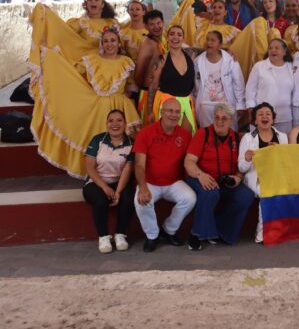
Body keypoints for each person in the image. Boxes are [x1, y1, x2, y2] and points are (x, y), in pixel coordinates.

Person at [29, 26, 141, 178]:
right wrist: (51, 58)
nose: (109, 44)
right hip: (96, 109)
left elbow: (130, 86)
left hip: (119, 108)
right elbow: (72, 74)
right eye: (106, 41)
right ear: (101, 44)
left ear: (119, 43)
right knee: (97, 141)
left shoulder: (127, 62)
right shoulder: (92, 60)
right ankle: (96, 175)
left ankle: (118, 176)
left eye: (113, 40)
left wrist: (124, 99)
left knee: (119, 143)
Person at [183, 103, 254, 250]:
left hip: (225, 181)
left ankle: (220, 230)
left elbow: (242, 165)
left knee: (245, 196)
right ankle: (196, 234)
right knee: (210, 193)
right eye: (217, 117)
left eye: (224, 118)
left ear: (231, 121)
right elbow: (189, 162)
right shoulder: (203, 134)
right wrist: (200, 175)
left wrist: (238, 177)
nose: (219, 121)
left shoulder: (237, 138)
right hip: (200, 177)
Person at [133, 99, 196, 252]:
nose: (174, 115)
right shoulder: (146, 133)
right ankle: (152, 236)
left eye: (177, 112)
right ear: (161, 112)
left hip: (174, 182)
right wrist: (143, 187)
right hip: (150, 182)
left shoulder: (184, 135)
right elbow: (139, 165)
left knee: (190, 198)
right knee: (141, 201)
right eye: (170, 111)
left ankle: (169, 230)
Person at [82, 109, 135, 253]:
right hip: (96, 181)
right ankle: (103, 237)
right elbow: (90, 168)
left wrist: (118, 192)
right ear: (106, 123)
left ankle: (120, 234)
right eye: (111, 121)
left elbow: (127, 169)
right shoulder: (97, 140)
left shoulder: (131, 143)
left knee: (127, 198)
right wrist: (105, 188)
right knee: (100, 200)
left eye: (119, 120)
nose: (115, 124)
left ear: (125, 123)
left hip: (119, 180)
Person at [238, 102, 289, 243]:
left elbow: (286, 164)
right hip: (255, 177)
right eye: (260, 114)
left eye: (268, 114)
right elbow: (241, 168)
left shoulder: (282, 137)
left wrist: (279, 152)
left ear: (273, 119)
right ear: (255, 121)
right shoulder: (248, 138)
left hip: (276, 176)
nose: (264, 117)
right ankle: (262, 232)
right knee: (265, 191)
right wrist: (247, 159)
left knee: (280, 189)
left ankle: (277, 230)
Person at [146, 25, 197, 134]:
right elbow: (153, 85)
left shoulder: (190, 54)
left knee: (186, 138)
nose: (175, 37)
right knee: (166, 137)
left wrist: (227, 50)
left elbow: (208, 49)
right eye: (172, 34)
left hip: (186, 102)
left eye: (179, 35)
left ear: (183, 38)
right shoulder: (162, 59)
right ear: (167, 37)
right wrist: (149, 111)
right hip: (166, 103)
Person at [194, 31, 246, 128]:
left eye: (212, 40)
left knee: (228, 134)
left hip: (226, 105)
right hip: (205, 106)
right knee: (207, 134)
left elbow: (238, 83)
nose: (209, 42)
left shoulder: (230, 60)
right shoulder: (198, 61)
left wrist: (240, 104)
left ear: (220, 45)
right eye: (207, 39)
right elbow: (195, 85)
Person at [246, 38, 294, 134]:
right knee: (259, 142)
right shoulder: (259, 67)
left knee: (283, 142)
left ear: (284, 52)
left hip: (284, 118)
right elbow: (250, 91)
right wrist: (251, 112)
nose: (273, 50)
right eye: (270, 48)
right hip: (262, 117)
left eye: (277, 48)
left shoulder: (291, 66)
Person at [134, 10, 166, 117]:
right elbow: (138, 74)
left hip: (159, 93)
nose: (156, 27)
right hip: (148, 94)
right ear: (146, 26)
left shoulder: (162, 40)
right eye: (152, 24)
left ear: (163, 23)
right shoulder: (147, 44)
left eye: (158, 23)